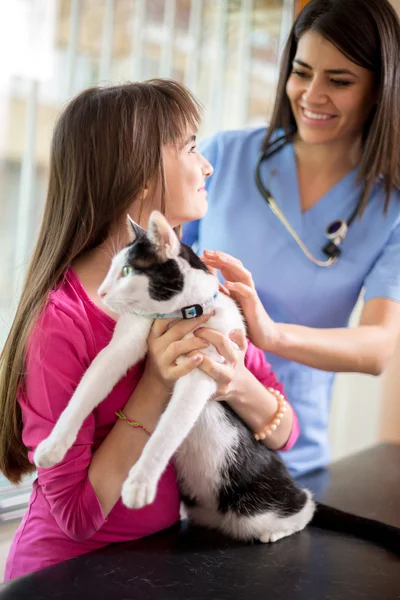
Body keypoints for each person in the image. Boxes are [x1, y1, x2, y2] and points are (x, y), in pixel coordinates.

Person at [0, 80, 300, 580]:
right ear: (140, 174)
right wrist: (156, 383)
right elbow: (75, 517)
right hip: (63, 579)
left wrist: (231, 379)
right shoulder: (61, 323)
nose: (207, 166)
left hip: (156, 567)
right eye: (190, 147)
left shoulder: (195, 288)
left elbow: (285, 432)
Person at [183, 0, 400, 479]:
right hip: (185, 429)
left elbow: (379, 347)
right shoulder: (226, 157)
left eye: (339, 81)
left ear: (380, 91)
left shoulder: (391, 210)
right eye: (302, 72)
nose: (312, 95)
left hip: (288, 451)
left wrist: (272, 334)